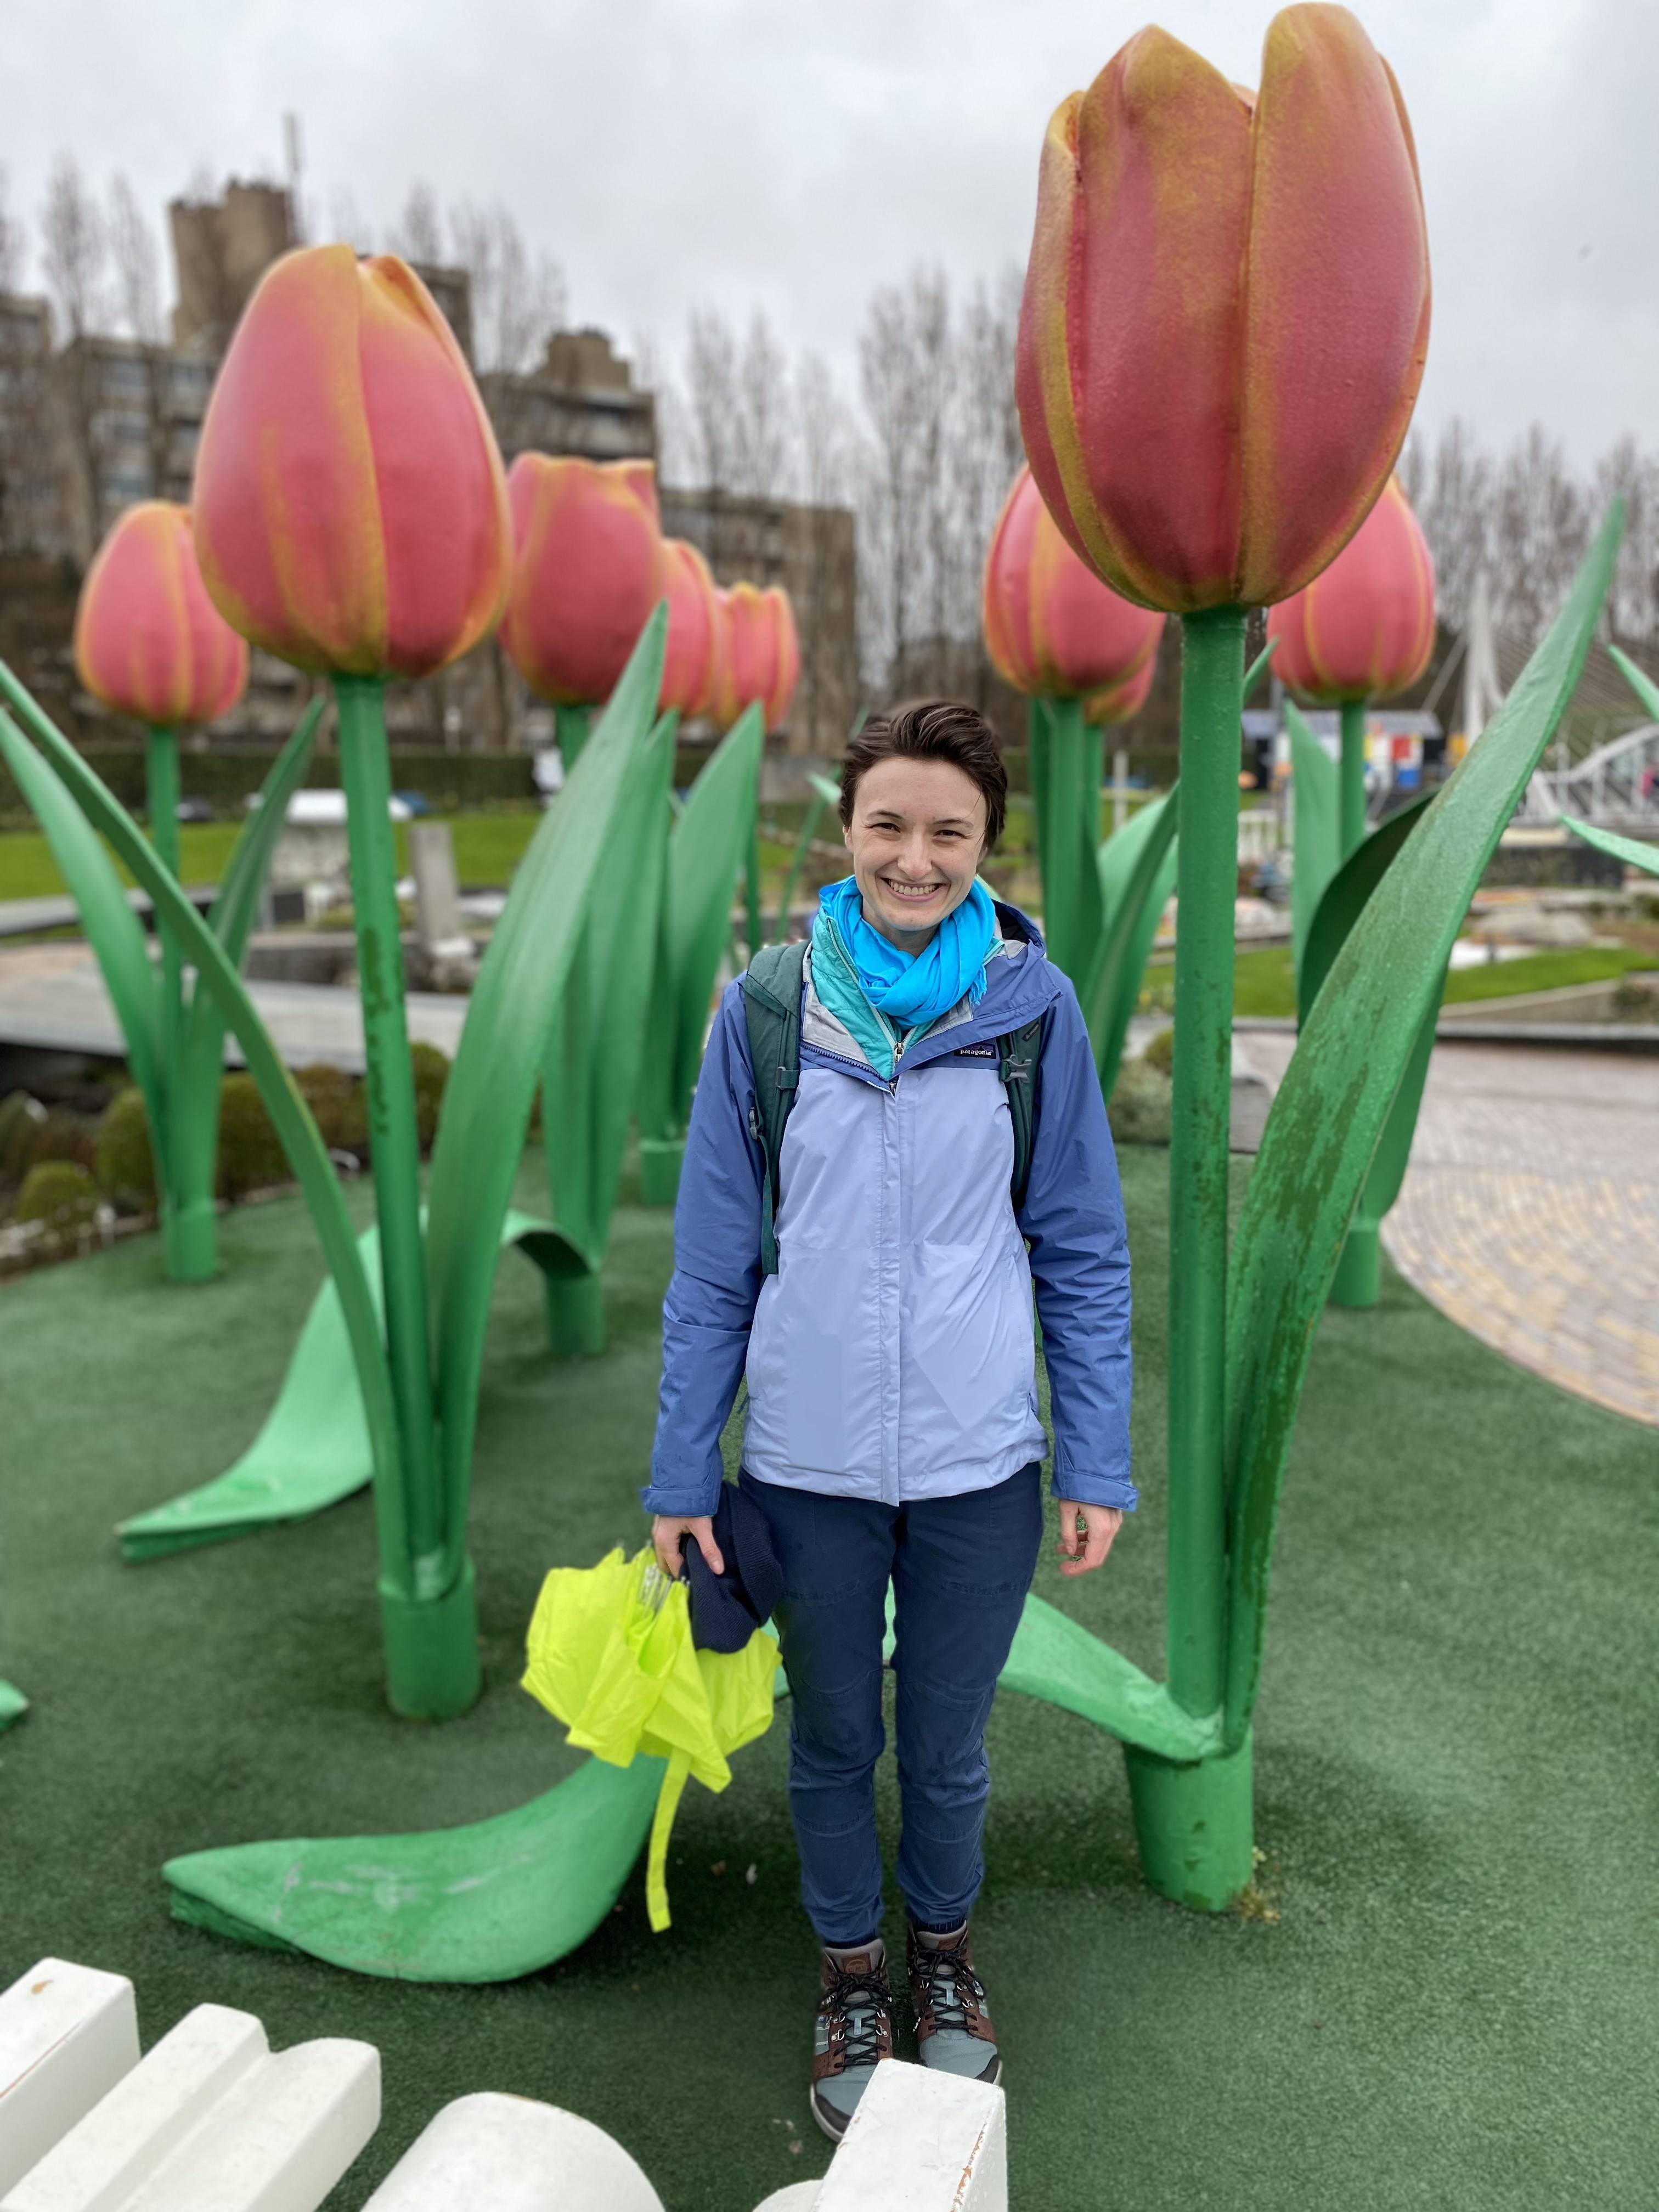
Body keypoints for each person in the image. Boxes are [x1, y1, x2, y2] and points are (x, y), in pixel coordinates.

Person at [645, 699, 1133, 2141]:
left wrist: (1095, 1458)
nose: (915, 858)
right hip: (809, 1466)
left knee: (949, 1746)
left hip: (982, 1461)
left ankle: (945, 1955)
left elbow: (1083, 1250)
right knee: (833, 1739)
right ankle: (852, 1973)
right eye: (889, 826)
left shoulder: (1032, 1015)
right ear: (847, 830)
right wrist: (683, 1469)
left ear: (987, 846)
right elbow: (712, 1266)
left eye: (948, 833)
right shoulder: (769, 1014)